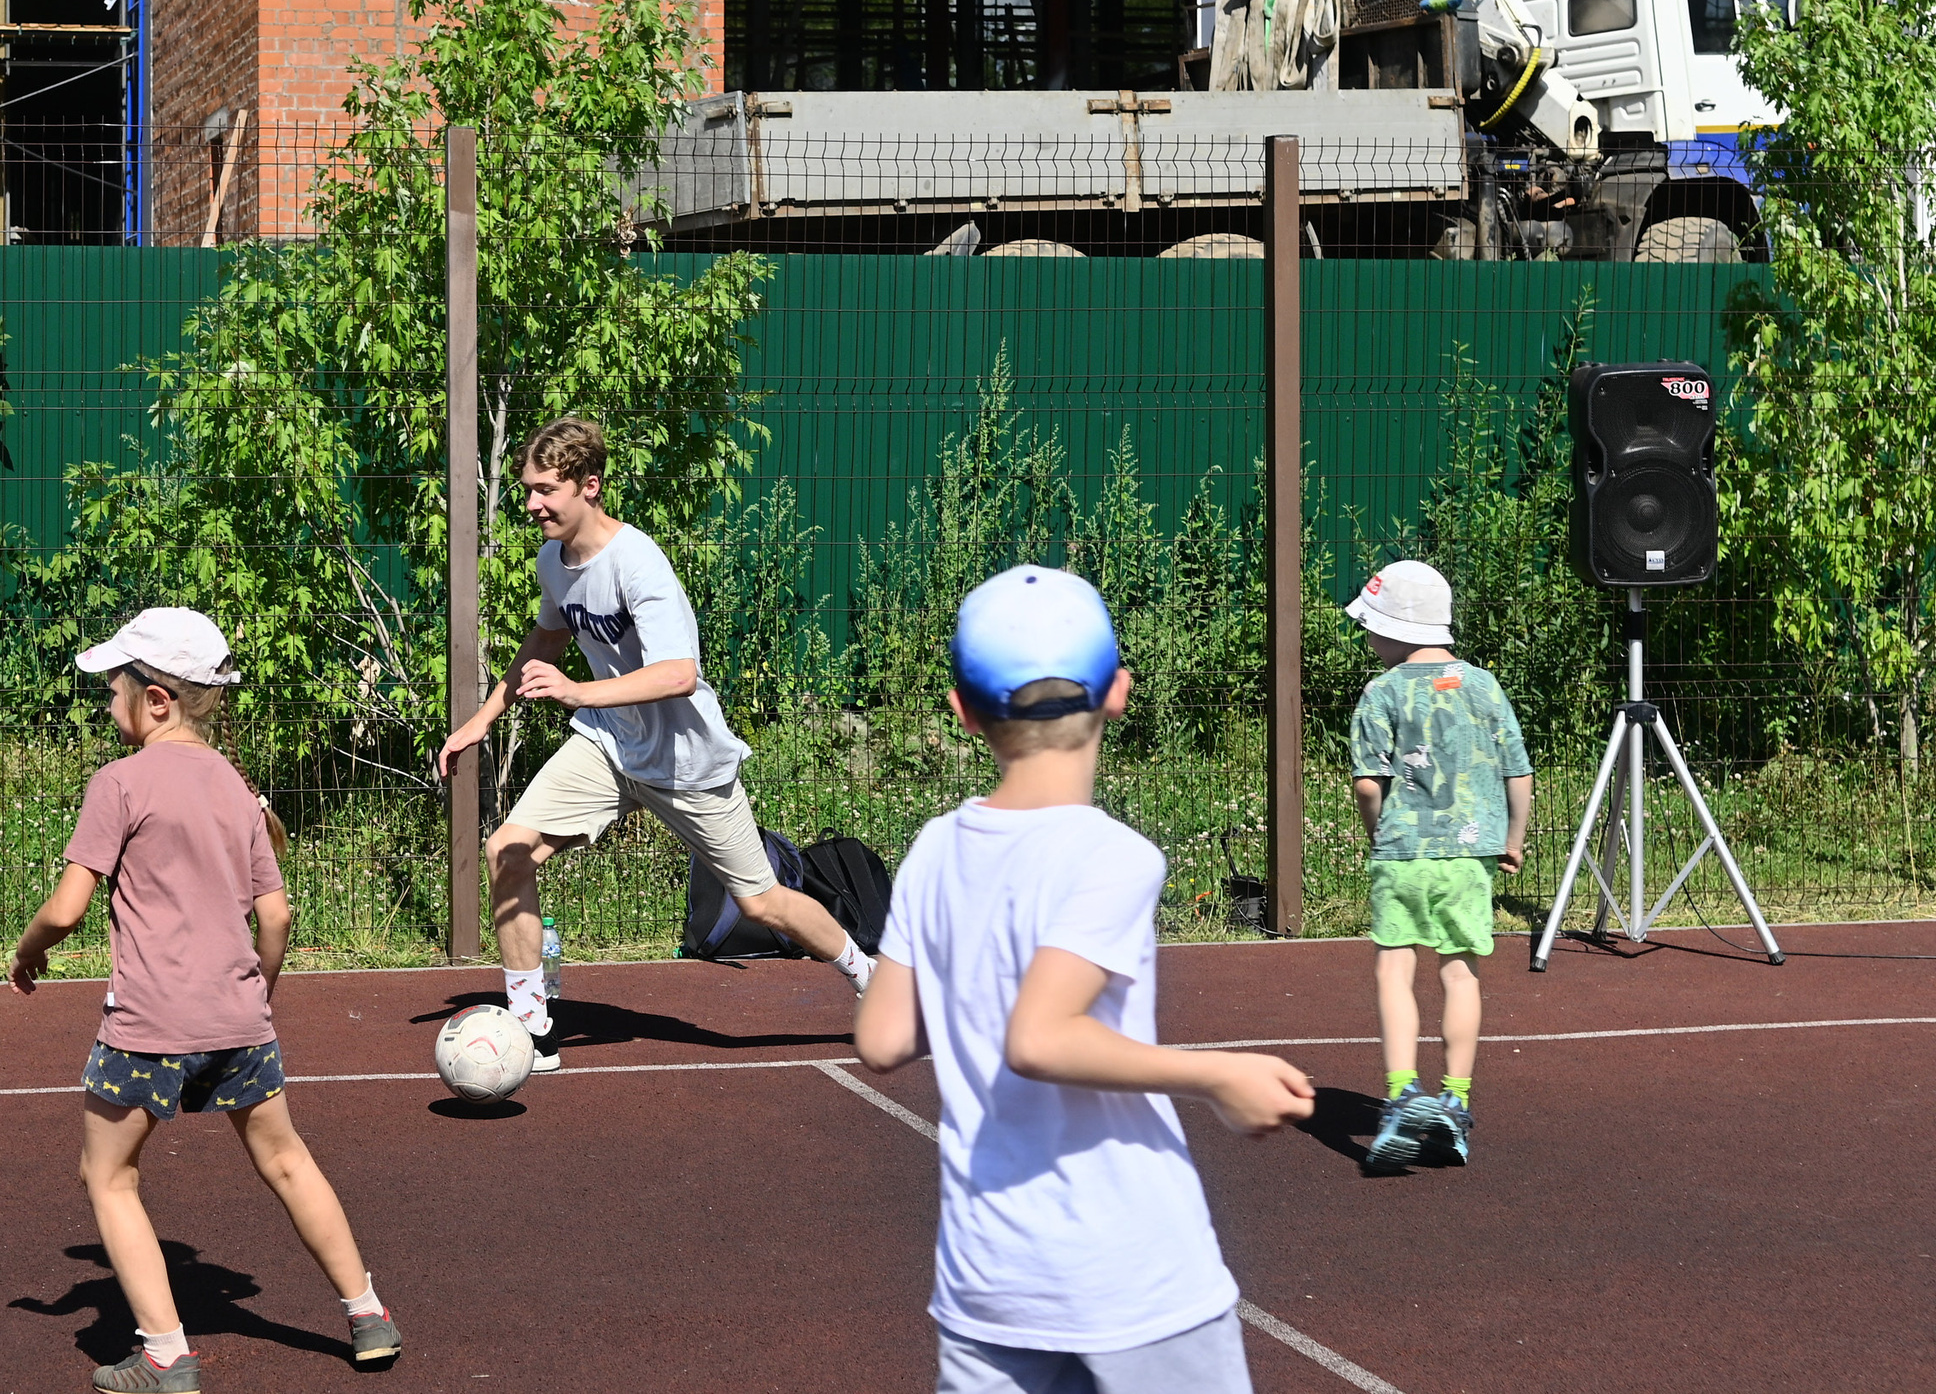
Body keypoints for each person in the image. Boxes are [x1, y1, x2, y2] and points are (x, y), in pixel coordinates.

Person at [856, 564, 1312, 1394]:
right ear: (1119, 693)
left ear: (962, 711)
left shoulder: (932, 847)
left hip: (988, 1278)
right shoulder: (1116, 856)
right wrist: (1218, 1072)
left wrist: (971, 986)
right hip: (1129, 1274)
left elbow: (882, 1038)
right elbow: (1041, 1036)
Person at [11, 608, 400, 1388]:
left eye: (114, 686)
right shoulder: (236, 786)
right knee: (288, 1160)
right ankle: (367, 1314)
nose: (106, 699)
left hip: (148, 1025)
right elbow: (278, 914)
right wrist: (259, 995)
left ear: (156, 699)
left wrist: (26, 953)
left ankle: (165, 1352)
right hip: (238, 1020)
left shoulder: (117, 782)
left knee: (108, 1175)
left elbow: (65, 909)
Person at [436, 416, 873, 1071]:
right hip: (612, 746)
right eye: (527, 488)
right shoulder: (553, 560)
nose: (530, 504)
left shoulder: (638, 564)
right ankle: (533, 1027)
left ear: (590, 486)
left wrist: (578, 692)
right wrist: (482, 719)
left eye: (544, 490)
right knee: (508, 850)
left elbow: (678, 673)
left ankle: (870, 974)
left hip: (686, 762)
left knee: (762, 901)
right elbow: (547, 639)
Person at [1345, 560, 1532, 1172]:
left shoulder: (1381, 691)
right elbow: (1518, 771)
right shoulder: (1484, 687)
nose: (1368, 638)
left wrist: (1380, 834)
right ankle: (1455, 1101)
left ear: (1396, 626)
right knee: (1461, 975)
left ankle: (1402, 1093)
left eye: (1372, 627)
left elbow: (1369, 784)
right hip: (1470, 856)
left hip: (1403, 854)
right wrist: (1513, 838)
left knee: (1395, 970)